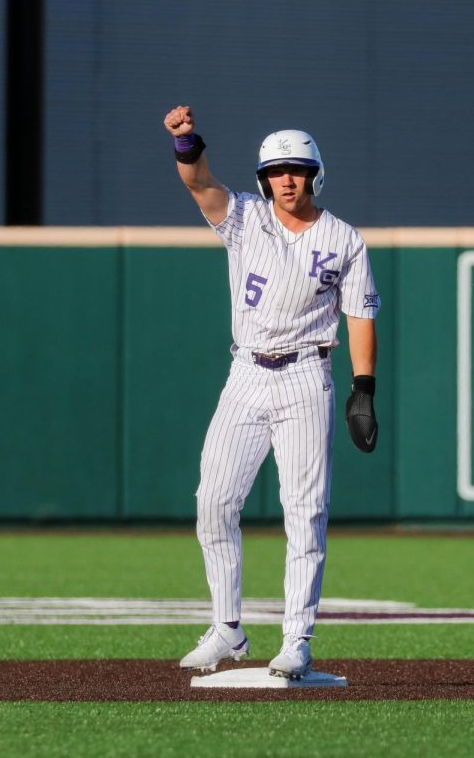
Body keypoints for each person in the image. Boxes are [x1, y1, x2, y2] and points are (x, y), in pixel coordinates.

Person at [162, 105, 381, 680]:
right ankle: (228, 628)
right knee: (213, 500)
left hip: (307, 376)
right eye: (278, 170)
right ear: (264, 178)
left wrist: (363, 389)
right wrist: (186, 142)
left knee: (304, 515)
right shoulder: (246, 219)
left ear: (316, 174)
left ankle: (297, 640)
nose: (288, 179)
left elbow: (360, 315)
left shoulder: (344, 240)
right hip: (247, 374)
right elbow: (200, 183)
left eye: (298, 169)